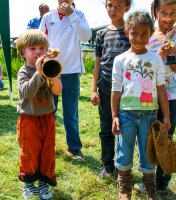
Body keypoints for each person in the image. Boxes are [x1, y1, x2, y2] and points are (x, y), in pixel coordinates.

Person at [111, 11, 171, 200]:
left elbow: (161, 88)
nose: (139, 38)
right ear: (127, 31)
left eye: (144, 34)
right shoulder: (120, 60)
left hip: (149, 115)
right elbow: (115, 89)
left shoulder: (155, 59)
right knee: (124, 151)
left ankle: (150, 189)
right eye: (134, 33)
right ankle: (124, 189)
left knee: (148, 153)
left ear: (151, 33)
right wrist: (114, 115)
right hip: (126, 114)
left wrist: (166, 116)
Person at [134, 0, 176, 194]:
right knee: (147, 137)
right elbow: (141, 66)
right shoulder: (145, 36)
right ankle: (149, 181)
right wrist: (158, 53)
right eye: (163, 12)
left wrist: (170, 43)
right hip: (147, 94)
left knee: (166, 138)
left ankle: (162, 184)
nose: (168, 18)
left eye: (173, 13)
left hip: (171, 96)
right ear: (154, 12)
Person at [39, 0, 92, 159]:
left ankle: (74, 147)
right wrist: (46, 53)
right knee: (49, 110)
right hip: (51, 70)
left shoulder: (79, 15)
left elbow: (86, 37)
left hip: (71, 71)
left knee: (71, 112)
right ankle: (47, 146)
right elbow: (39, 40)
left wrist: (71, 14)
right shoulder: (48, 17)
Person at [16, 29, 62, 199]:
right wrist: (38, 72)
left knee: (47, 153)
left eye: (42, 48)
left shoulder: (48, 68)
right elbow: (27, 93)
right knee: (30, 153)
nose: (38, 52)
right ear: (23, 52)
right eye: (32, 48)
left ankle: (43, 184)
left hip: (47, 118)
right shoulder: (24, 71)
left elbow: (57, 91)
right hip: (29, 120)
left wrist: (53, 73)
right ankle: (29, 185)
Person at [91, 0, 132, 178]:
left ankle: (125, 165)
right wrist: (94, 89)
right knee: (106, 127)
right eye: (109, 5)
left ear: (127, 8)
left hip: (129, 88)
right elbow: (97, 63)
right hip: (106, 87)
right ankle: (108, 165)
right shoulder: (101, 34)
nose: (113, 10)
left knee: (127, 127)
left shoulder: (131, 31)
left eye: (118, 6)